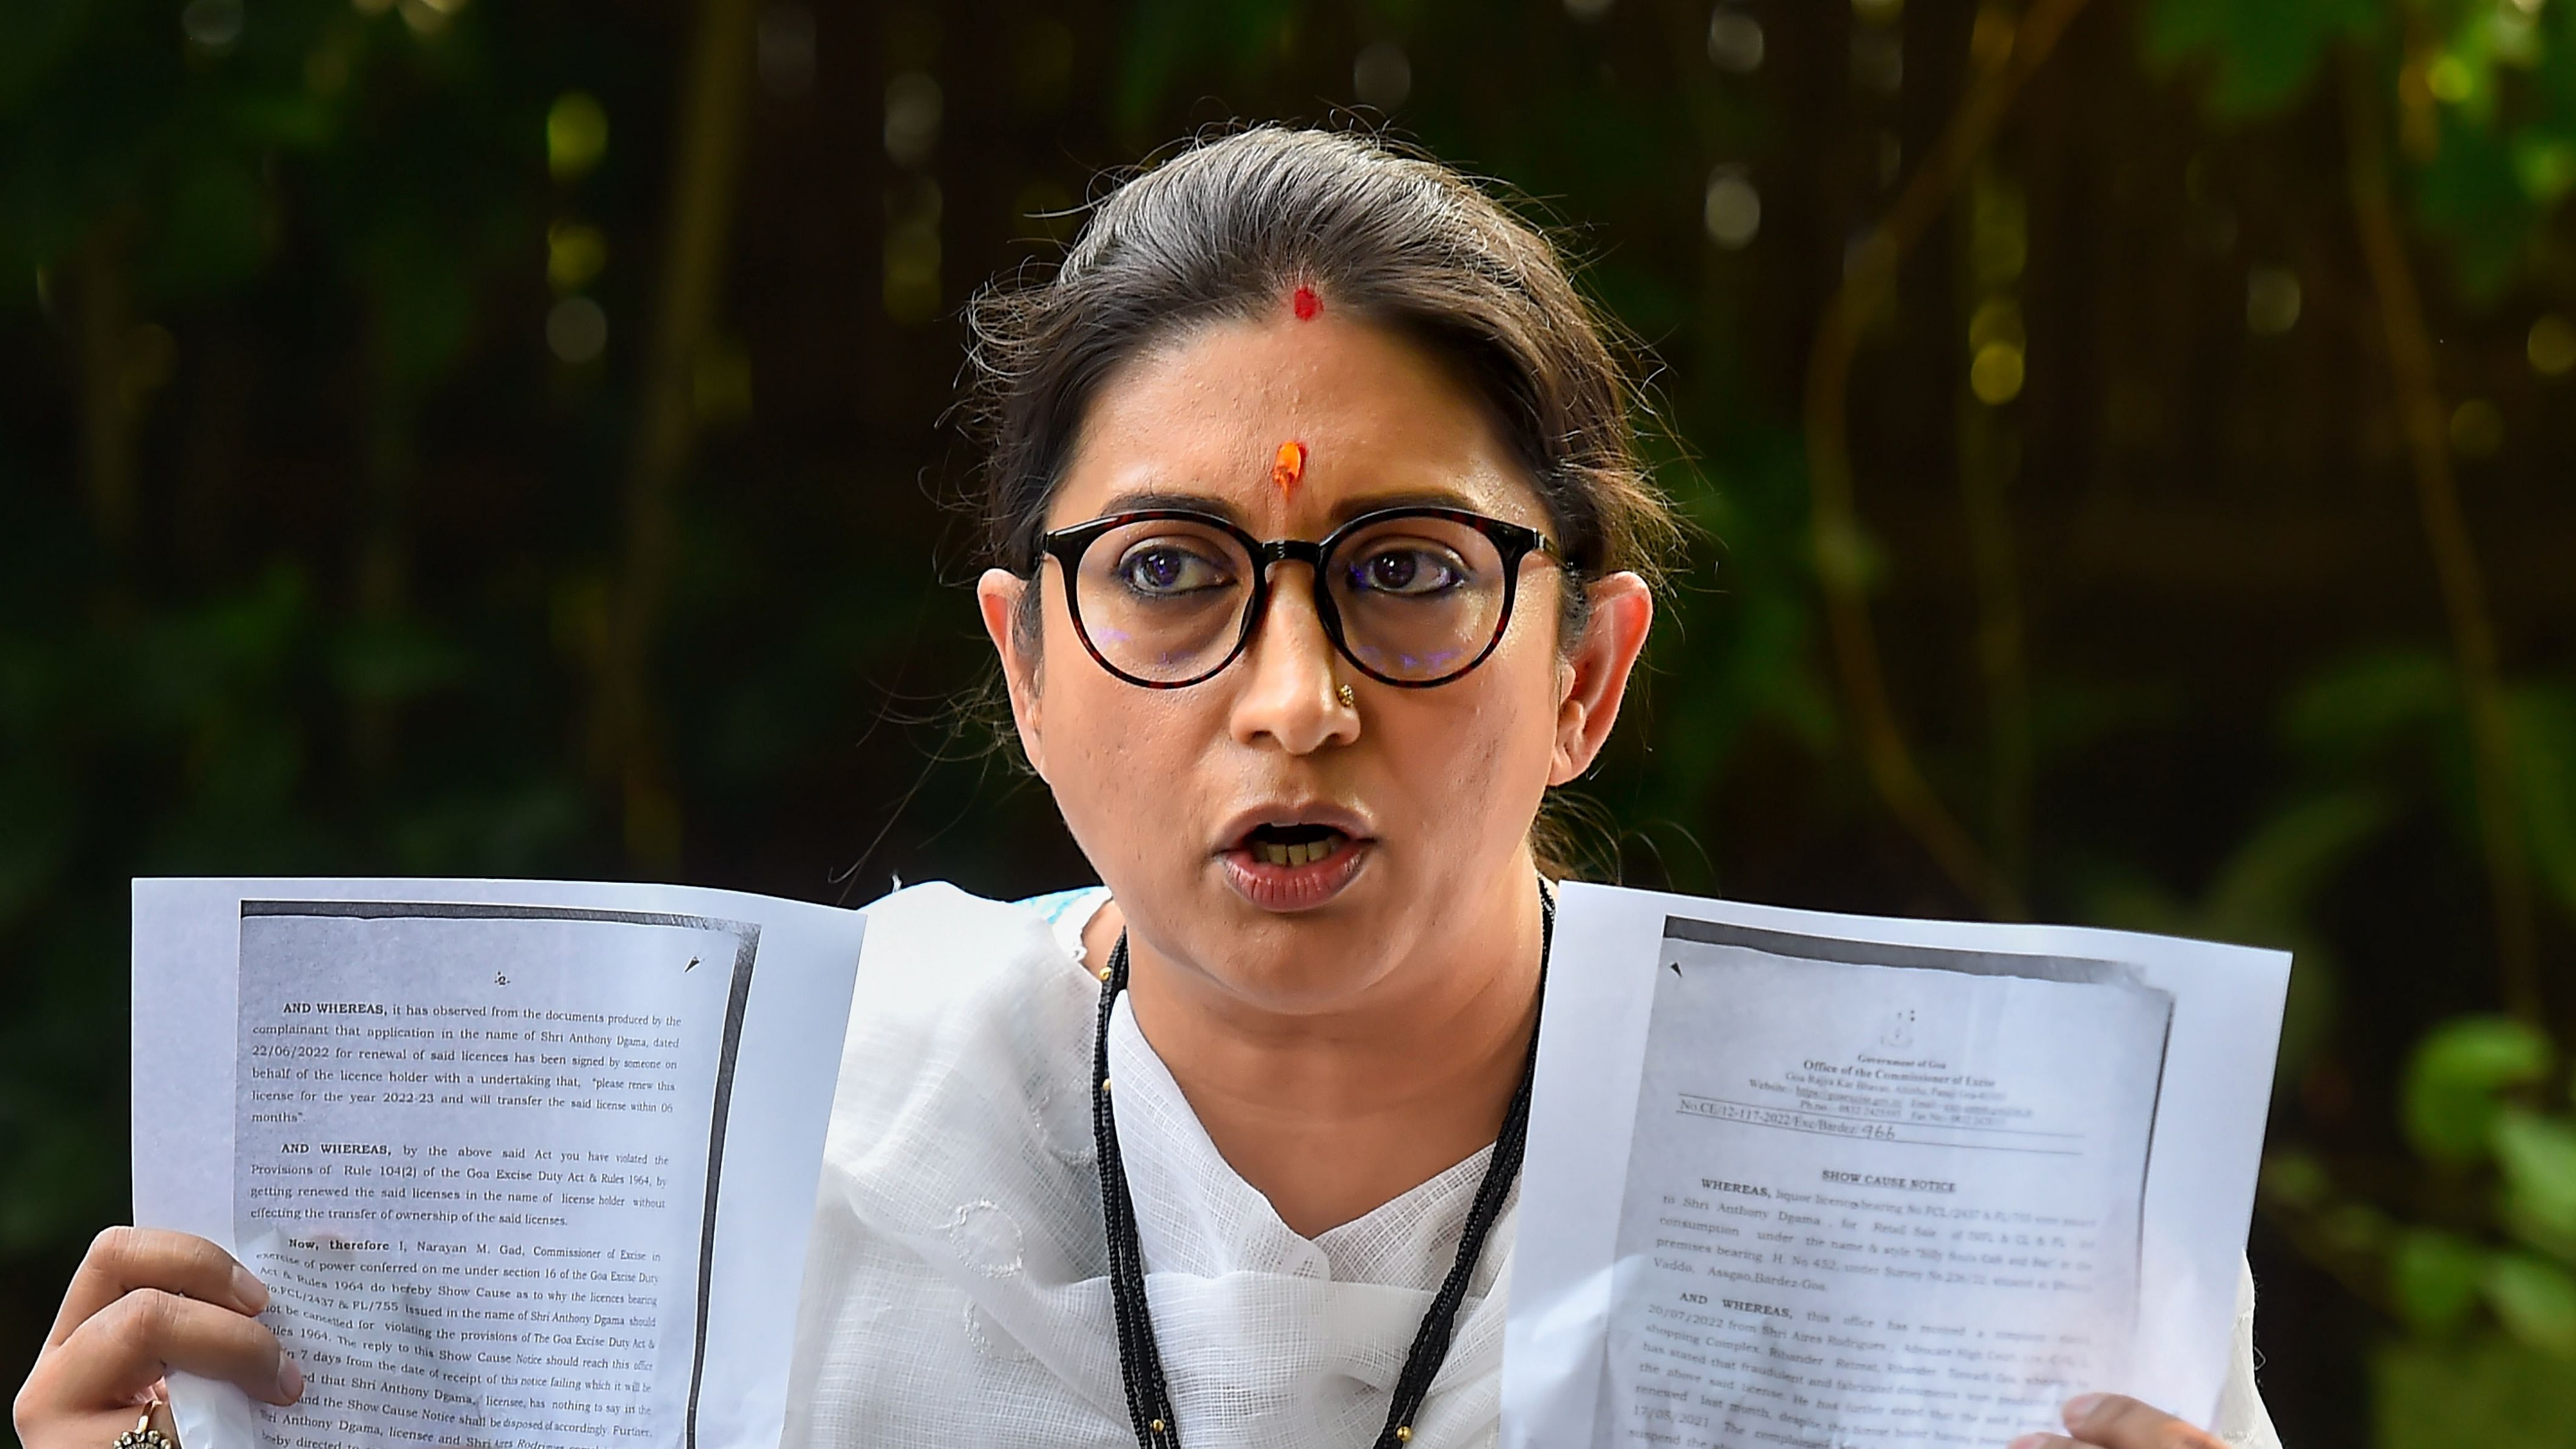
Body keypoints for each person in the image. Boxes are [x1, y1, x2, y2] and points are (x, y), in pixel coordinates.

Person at [14, 127, 2280, 1449]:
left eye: (1407, 574)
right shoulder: (769, 1166)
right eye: (1176, 576)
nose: (1294, 696)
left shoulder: (2001, 1251)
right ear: (1024, 666)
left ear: (1588, 669)